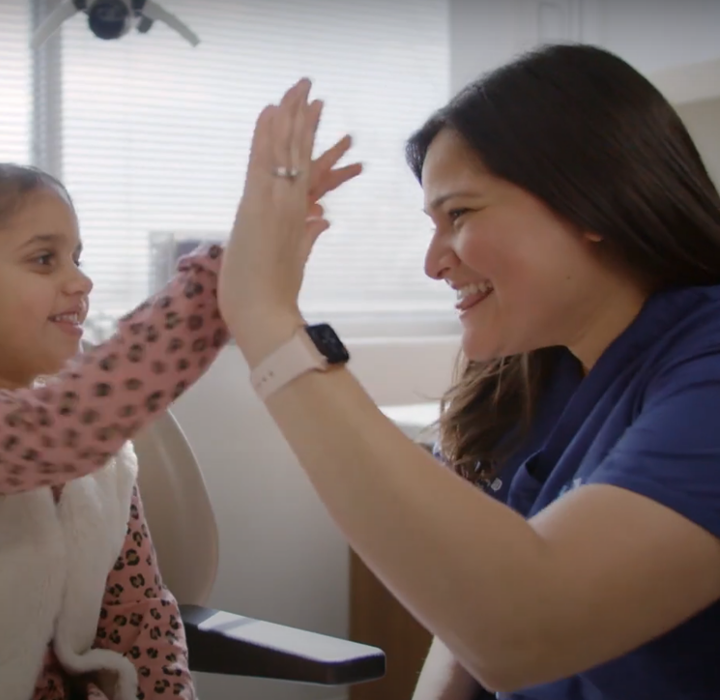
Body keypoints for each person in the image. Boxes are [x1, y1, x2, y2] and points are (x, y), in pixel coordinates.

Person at [218, 45, 720, 700]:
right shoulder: (539, 379)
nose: (434, 264)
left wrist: (268, 321)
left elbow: (522, 627)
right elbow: (466, 630)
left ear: (592, 201)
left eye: (459, 215)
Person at [0, 156, 359, 700]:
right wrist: (226, 280)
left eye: (79, 257)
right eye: (44, 259)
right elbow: (47, 435)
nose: (80, 282)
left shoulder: (98, 457)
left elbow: (142, 624)